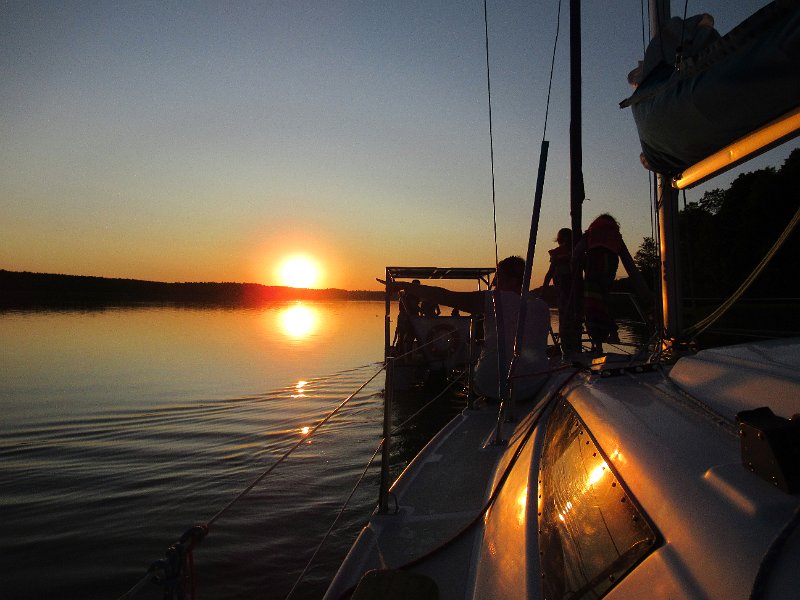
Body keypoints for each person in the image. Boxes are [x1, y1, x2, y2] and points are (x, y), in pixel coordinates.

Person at [387, 256, 550, 402]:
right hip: (533, 386)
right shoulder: (542, 306)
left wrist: (405, 286)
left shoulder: (496, 300)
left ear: (513, 281)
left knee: (473, 374)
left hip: (494, 388)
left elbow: (447, 297)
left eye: (498, 278)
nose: (494, 284)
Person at [542, 228, 580, 355]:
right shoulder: (576, 252)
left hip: (565, 288)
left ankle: (567, 345)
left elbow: (550, 272)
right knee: (572, 315)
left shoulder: (561, 254)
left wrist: (544, 289)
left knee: (565, 316)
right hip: (572, 289)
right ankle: (569, 342)